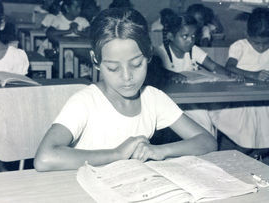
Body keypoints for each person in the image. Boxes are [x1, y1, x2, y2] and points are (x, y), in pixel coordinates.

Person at [34, 8, 217, 171]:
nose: (127, 76)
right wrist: (117, 154)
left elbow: (207, 141)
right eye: (113, 68)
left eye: (136, 64)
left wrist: (160, 150)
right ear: (96, 61)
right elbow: (44, 158)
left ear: (148, 55)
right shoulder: (86, 101)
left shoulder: (153, 99)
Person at [211, 8, 269, 150]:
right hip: (241, 99)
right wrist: (254, 75)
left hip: (263, 100)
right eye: (256, 43)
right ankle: (244, 155)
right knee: (248, 137)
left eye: (265, 43)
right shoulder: (239, 46)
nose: (261, 47)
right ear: (247, 34)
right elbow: (229, 67)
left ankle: (254, 155)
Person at [0, 0, 29, 173]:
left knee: (3, 159)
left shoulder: (17, 57)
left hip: (7, 120)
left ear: (1, 24)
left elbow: (22, 93)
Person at [43, 0, 90, 77]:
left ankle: (84, 75)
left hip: (80, 51)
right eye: (76, 7)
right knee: (69, 54)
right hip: (63, 52)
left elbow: (91, 33)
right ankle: (68, 75)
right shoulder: (58, 19)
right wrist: (68, 31)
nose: (79, 10)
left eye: (80, 7)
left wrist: (78, 32)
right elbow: (49, 33)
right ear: (67, 8)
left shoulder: (82, 20)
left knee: (82, 59)